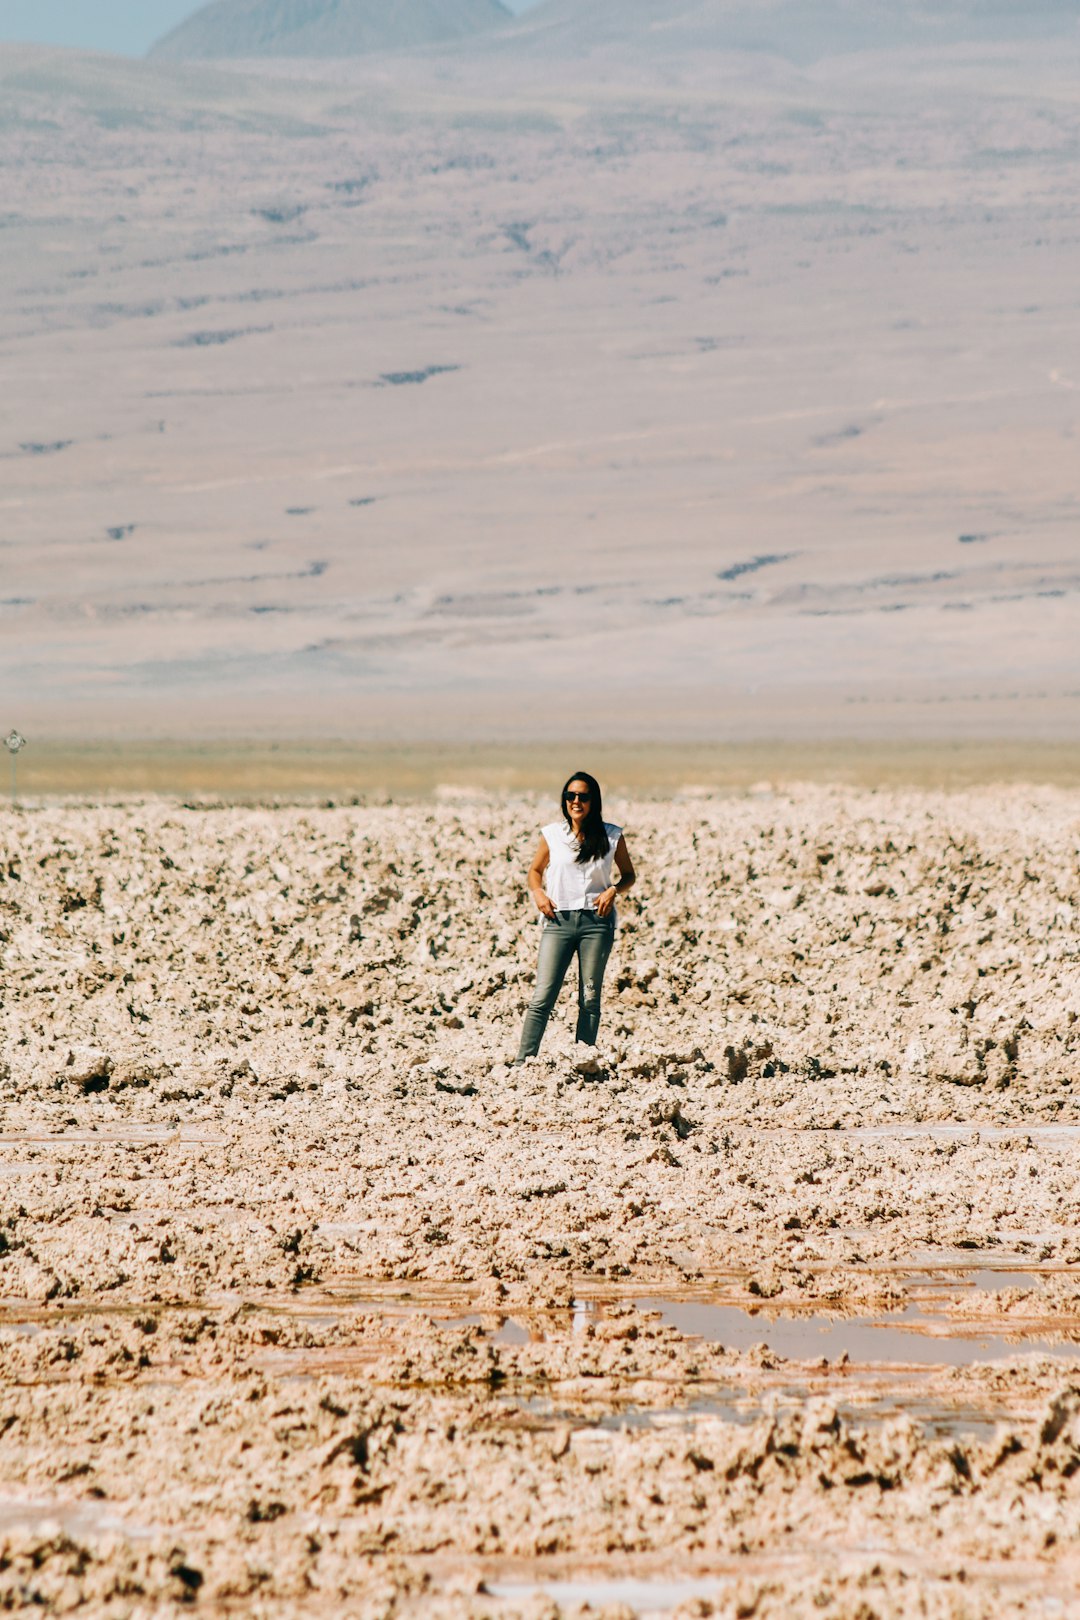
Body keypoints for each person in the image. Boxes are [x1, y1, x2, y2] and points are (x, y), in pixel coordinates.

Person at [514, 771, 637, 1063]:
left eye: (583, 796)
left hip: (597, 923)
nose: (576, 801)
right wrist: (538, 894)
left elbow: (629, 875)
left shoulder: (612, 835)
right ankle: (522, 1062)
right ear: (564, 800)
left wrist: (613, 891)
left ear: (594, 801)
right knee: (542, 997)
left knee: (590, 998)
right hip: (558, 922)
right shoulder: (552, 835)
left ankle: (582, 1060)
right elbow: (534, 871)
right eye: (571, 796)